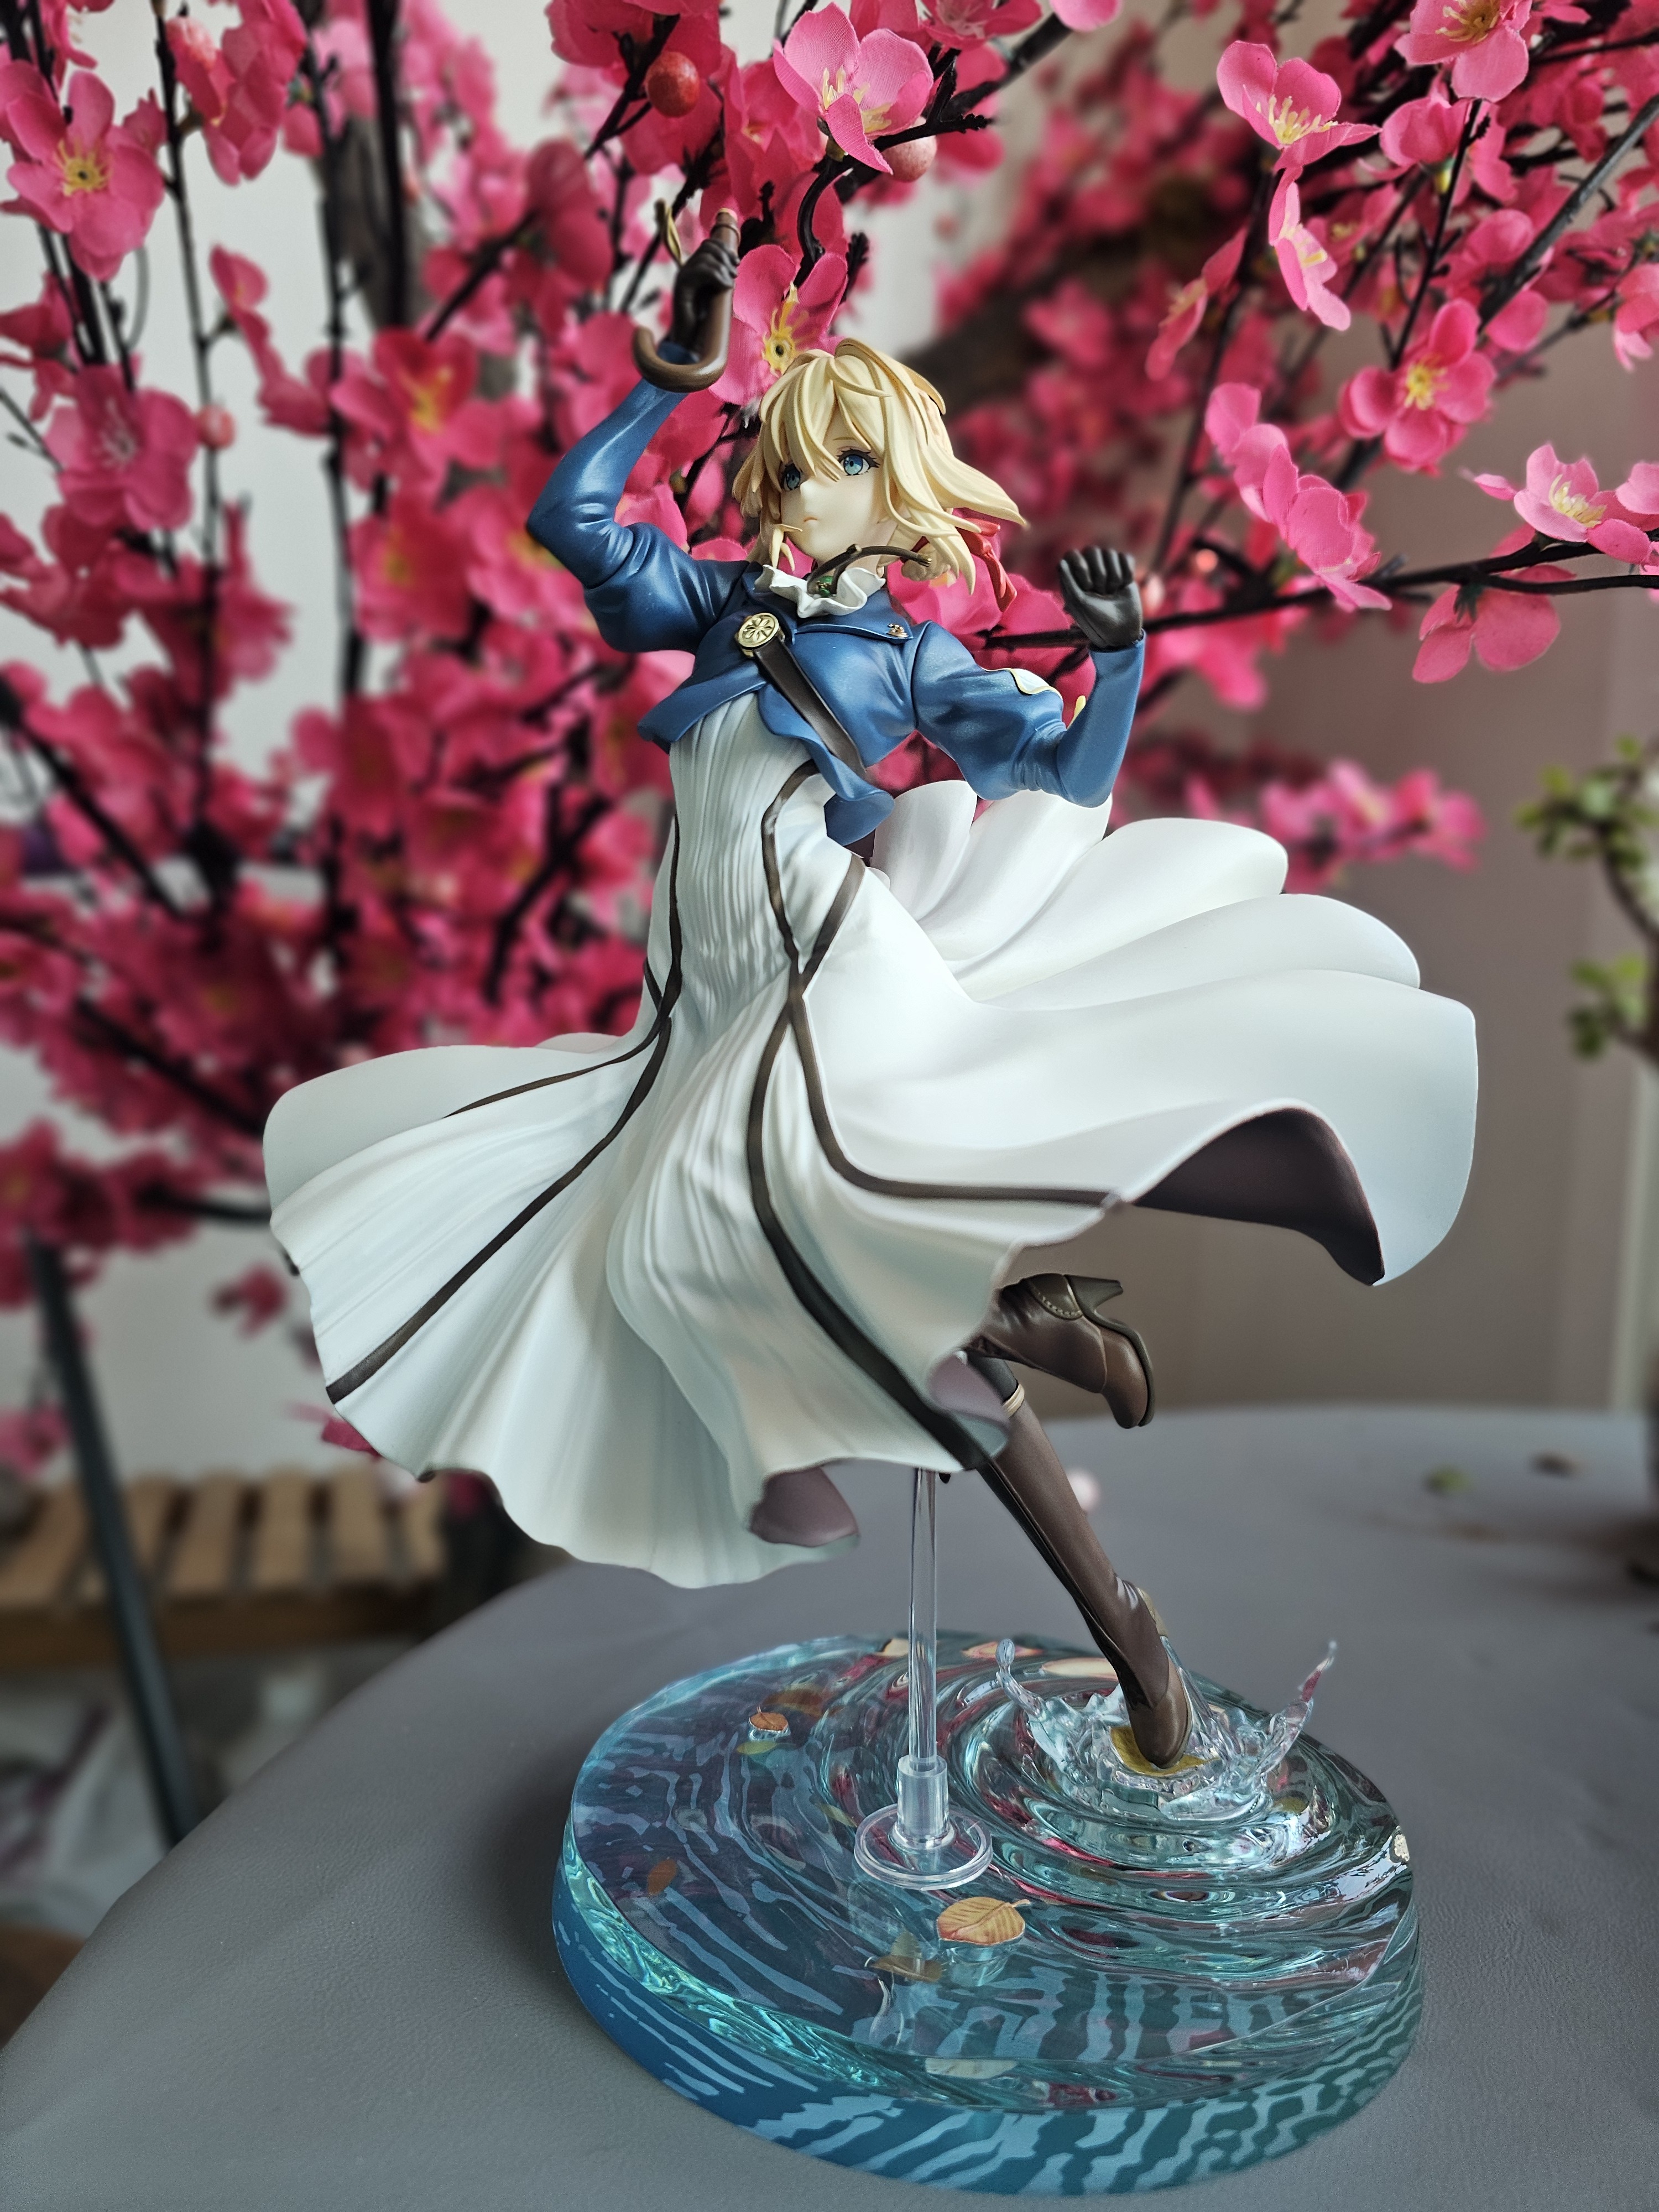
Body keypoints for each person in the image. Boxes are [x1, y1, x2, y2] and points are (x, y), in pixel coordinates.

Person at [265, 237, 1476, 1768]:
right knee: (773, 1287)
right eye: (784, 463)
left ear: (898, 488)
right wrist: (665, 385)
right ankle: (1093, 1552)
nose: (797, 489)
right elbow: (569, 520)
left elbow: (1059, 779)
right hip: (708, 986)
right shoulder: (726, 604)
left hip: (820, 957)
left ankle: (907, 1414)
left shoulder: (912, 654)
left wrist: (1117, 665)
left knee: (684, 1241)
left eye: (837, 463)